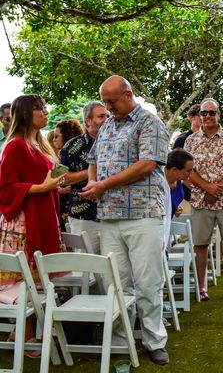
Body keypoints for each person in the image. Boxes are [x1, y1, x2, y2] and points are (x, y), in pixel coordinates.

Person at [80, 75, 170, 365]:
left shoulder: (148, 121)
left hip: (143, 214)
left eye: (112, 101)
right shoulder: (107, 125)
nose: (107, 107)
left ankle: (154, 340)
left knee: (148, 282)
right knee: (116, 283)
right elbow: (93, 160)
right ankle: (122, 338)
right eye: (104, 102)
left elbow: (147, 164)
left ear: (128, 94)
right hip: (109, 215)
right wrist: (93, 183)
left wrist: (104, 185)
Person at [0, 95, 66, 350]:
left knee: (34, 278)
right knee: (23, 278)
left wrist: (54, 184)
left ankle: (21, 333)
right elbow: (6, 186)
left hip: (44, 212)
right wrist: (42, 187)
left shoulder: (39, 143)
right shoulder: (15, 145)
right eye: (39, 108)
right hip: (24, 221)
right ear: (26, 113)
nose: (45, 112)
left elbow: (45, 178)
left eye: (45, 107)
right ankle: (23, 336)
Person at [184, 98, 223, 299]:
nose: (208, 116)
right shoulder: (191, 141)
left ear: (219, 114)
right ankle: (202, 287)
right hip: (200, 200)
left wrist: (217, 188)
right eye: (204, 113)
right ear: (199, 116)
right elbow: (188, 171)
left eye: (212, 113)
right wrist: (207, 188)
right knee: (200, 244)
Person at [59, 101, 109, 254]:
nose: (106, 120)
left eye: (108, 115)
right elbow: (61, 179)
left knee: (115, 267)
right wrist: (91, 171)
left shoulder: (117, 142)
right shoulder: (71, 146)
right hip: (84, 216)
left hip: (113, 214)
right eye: (101, 116)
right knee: (87, 268)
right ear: (88, 120)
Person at [53, 118, 84, 230]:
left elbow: (57, 178)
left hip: (71, 205)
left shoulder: (65, 152)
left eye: (56, 136)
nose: (53, 140)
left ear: (66, 136)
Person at [163, 148, 194, 251]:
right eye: (188, 171)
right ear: (174, 170)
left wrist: (175, 208)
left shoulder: (179, 181)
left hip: (166, 230)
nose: (190, 174)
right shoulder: (160, 184)